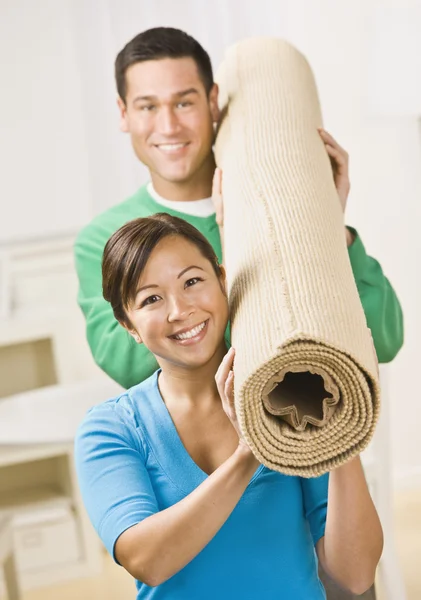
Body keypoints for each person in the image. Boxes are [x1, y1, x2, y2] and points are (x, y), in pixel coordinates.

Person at [74, 27, 404, 390]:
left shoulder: (274, 203)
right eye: (148, 107)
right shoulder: (105, 238)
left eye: (184, 103)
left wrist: (327, 223)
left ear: (212, 101)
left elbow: (385, 340)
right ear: (124, 112)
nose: (168, 126)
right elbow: (130, 367)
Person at [75, 213, 384, 599]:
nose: (179, 309)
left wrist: (339, 424)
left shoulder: (289, 398)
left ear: (222, 282)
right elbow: (148, 561)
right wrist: (250, 450)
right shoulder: (110, 428)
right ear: (129, 325)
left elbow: (354, 575)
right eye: (151, 298)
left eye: (192, 281)